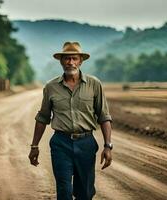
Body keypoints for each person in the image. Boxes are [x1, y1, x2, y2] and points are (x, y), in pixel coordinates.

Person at [28, 41, 113, 200]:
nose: (70, 62)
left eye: (74, 58)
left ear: (81, 61)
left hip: (86, 144)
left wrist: (108, 146)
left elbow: (104, 116)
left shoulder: (94, 85)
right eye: (67, 59)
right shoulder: (51, 87)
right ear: (61, 61)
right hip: (61, 143)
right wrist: (34, 146)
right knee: (64, 191)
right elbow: (42, 118)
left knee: (85, 193)